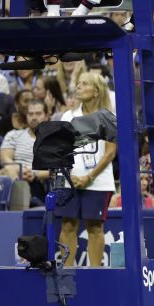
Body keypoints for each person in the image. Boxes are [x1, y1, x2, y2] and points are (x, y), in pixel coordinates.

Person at [57, 72, 117, 267]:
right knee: (68, 225)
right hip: (69, 179)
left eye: (84, 84)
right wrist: (70, 174)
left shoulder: (108, 117)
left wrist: (89, 176)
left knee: (95, 227)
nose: (78, 87)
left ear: (96, 91)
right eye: (78, 83)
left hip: (98, 181)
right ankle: (66, 274)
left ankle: (95, 274)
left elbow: (110, 152)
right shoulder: (68, 115)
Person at [0, 99, 50, 206]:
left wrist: (34, 174)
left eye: (38, 113)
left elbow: (57, 169)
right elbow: (5, 159)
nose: (34, 117)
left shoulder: (54, 140)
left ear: (46, 116)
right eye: (30, 114)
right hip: (14, 174)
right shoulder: (13, 135)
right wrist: (21, 170)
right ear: (26, 116)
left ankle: (21, 203)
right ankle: (25, 200)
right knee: (7, 169)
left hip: (39, 181)